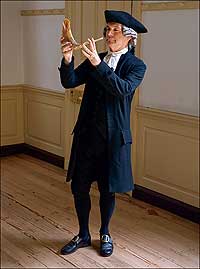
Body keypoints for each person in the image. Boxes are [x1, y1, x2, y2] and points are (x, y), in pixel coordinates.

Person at [59, 10, 147, 257]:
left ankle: (105, 232)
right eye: (107, 29)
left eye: (115, 30)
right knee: (79, 187)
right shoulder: (96, 57)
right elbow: (70, 81)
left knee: (107, 190)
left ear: (129, 37)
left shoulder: (136, 66)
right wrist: (67, 59)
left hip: (113, 140)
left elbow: (121, 89)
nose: (108, 34)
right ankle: (83, 234)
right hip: (87, 136)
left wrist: (99, 65)